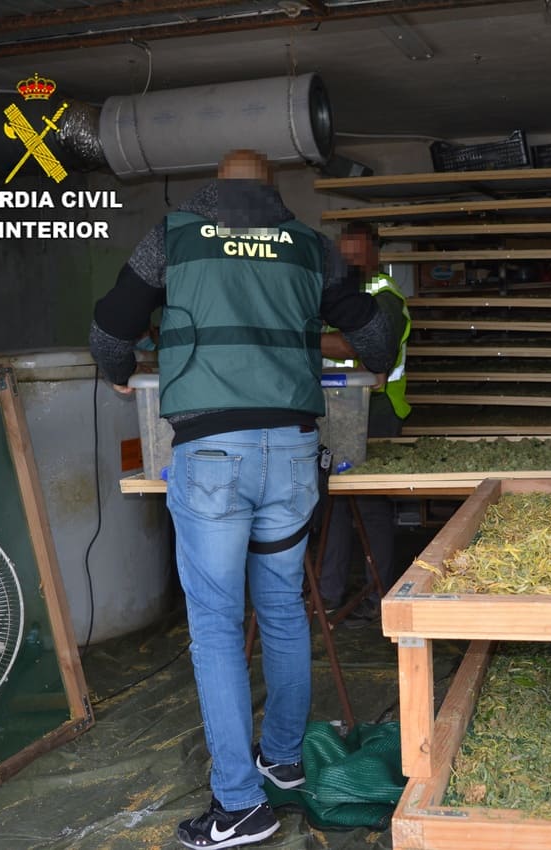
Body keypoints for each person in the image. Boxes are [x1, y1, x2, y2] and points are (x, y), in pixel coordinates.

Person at [88, 150, 395, 850]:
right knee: (283, 609)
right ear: (274, 194)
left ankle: (238, 805)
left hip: (213, 460)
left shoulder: (173, 237)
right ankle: (282, 761)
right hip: (291, 453)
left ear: (212, 189)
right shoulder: (310, 247)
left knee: (219, 628)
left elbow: (110, 330)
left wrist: (114, 372)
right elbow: (378, 338)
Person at [316, 222, 412, 624]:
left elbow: (356, 346)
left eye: (357, 257)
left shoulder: (385, 298)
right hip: (334, 412)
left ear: (376, 257)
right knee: (332, 506)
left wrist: (299, 337)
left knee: (370, 505)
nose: (350, 264)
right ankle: (329, 593)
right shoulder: (333, 297)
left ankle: (380, 595)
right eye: (344, 257)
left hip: (376, 414)